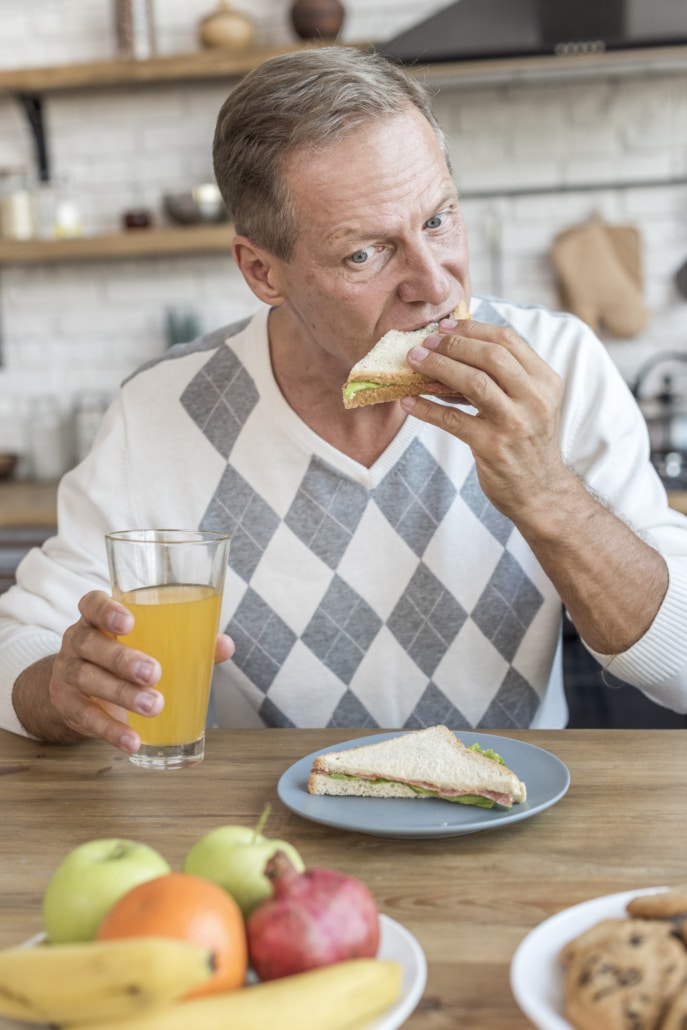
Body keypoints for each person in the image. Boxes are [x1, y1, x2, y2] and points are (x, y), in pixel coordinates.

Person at [1, 46, 686, 755]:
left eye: (438, 219)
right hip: (267, 839)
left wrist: (549, 497)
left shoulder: (555, 364)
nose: (435, 284)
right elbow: (19, 646)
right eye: (366, 253)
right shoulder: (159, 413)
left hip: (513, 818)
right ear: (262, 272)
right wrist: (60, 685)